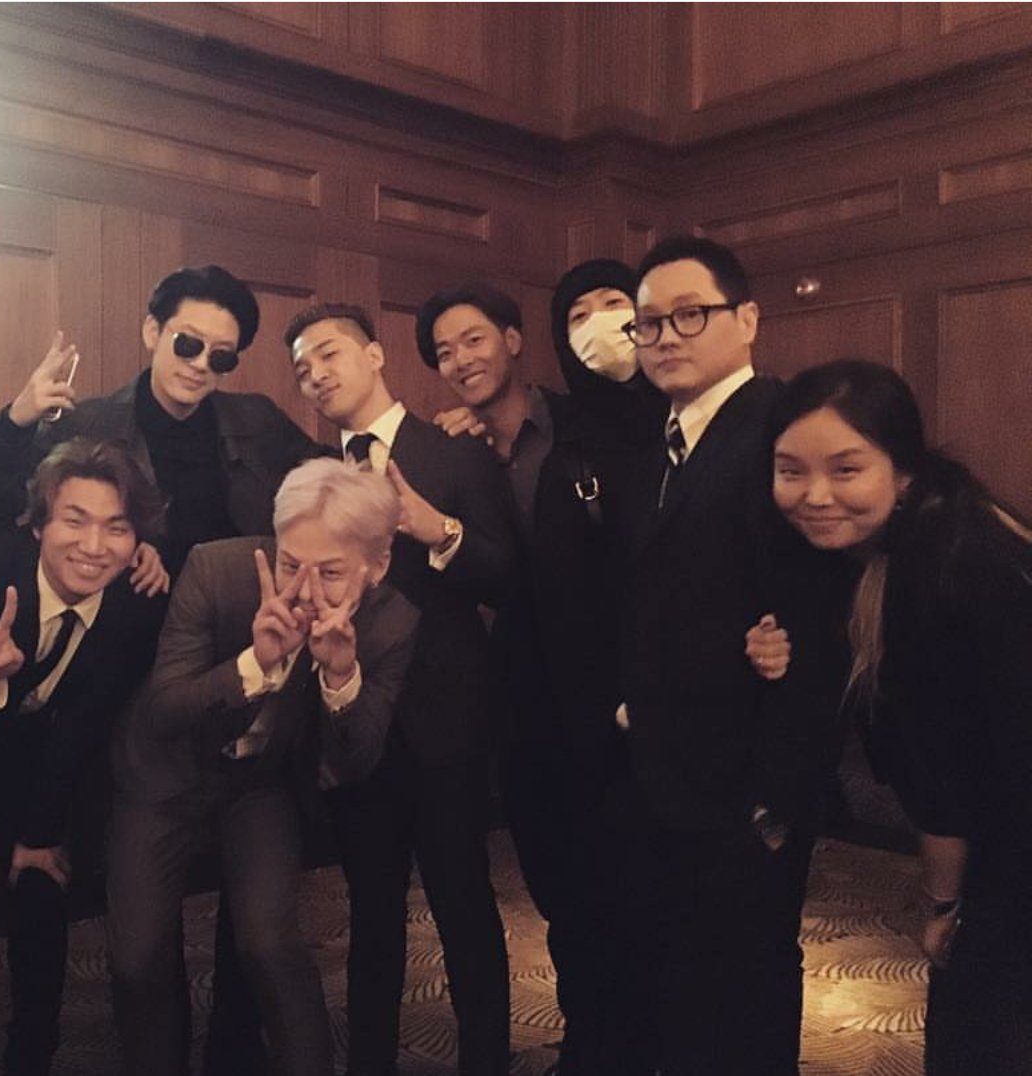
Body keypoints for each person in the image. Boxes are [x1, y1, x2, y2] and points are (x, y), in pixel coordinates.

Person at [418, 271, 788, 1076]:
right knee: (569, 899)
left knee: (658, 908)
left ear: (514, 341)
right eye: (578, 316)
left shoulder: (659, 430)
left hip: (650, 713)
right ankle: (594, 1044)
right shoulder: (490, 448)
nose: (603, 329)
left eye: (620, 311)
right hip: (542, 709)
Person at [105, 457, 419, 1076]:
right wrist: (256, 664)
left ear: (378, 565)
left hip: (258, 784)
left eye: (331, 572)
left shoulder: (392, 623)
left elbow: (354, 759)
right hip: (161, 775)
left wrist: (340, 677)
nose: (302, 590)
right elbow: (166, 709)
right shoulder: (216, 569)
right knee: (137, 959)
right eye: (289, 564)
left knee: (270, 945)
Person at [616, 236, 846, 1076]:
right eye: (648, 324)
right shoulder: (664, 440)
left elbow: (818, 618)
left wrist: (774, 802)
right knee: (687, 981)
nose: (665, 337)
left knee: (745, 988)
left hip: (747, 784)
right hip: (671, 773)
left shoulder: (779, 433)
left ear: (746, 319)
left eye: (690, 315)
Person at [769, 359, 1032, 1076]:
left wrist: (941, 907)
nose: (815, 495)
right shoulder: (932, 527)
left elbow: (945, 780)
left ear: (904, 471)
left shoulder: (941, 569)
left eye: (846, 469)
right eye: (791, 470)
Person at [286, 303, 516, 1076]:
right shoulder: (311, 475)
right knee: (371, 914)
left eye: (328, 354)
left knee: (464, 905)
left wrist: (437, 528)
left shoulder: (453, 453)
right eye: (302, 369)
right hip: (353, 720)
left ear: (376, 355)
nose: (316, 375)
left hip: (444, 722)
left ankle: (486, 1061)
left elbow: (508, 574)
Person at [0, 438, 169, 1076]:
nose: (94, 546)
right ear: (39, 523)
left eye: (116, 528)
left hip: (25, 749)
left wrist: (37, 834)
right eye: (75, 520)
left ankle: (32, 1052)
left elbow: (83, 722)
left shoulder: (136, 604)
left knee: (42, 882)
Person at [0, 264, 325, 579]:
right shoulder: (86, 426)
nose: (201, 364)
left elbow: (330, 475)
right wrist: (15, 421)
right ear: (152, 332)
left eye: (221, 356)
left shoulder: (256, 420)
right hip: (131, 611)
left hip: (238, 610)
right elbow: (0, 500)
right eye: (188, 344)